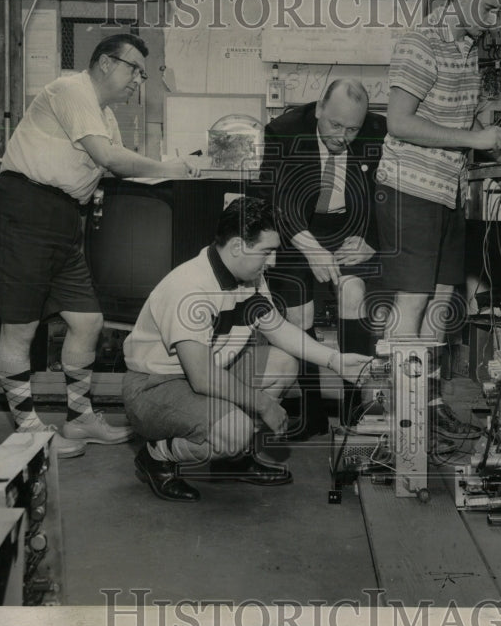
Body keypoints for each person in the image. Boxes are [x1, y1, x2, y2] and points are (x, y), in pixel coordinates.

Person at [0, 33, 198, 459]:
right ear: (104, 63)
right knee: (20, 328)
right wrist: (169, 167)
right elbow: (111, 159)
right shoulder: (71, 89)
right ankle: (27, 431)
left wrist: (181, 168)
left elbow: (120, 162)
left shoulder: (105, 115)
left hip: (63, 217)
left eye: (142, 72)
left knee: (87, 321)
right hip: (23, 208)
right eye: (133, 68)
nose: (139, 79)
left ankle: (79, 418)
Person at [122, 196, 372, 502]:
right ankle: (156, 456)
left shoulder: (248, 276)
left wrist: (335, 360)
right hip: (154, 387)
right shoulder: (191, 288)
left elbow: (277, 328)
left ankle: (233, 458)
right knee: (236, 431)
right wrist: (263, 405)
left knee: (283, 364)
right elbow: (201, 377)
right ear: (238, 246)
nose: (271, 261)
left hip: (209, 371)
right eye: (266, 252)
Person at [374, 0, 501, 436]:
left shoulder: (468, 49)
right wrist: (475, 140)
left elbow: (461, 120)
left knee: (440, 303)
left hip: (447, 190)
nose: (494, 20)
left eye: (500, 11)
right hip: (409, 187)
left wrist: (489, 128)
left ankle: (425, 412)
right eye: (489, 7)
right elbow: (399, 121)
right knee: (411, 306)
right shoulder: (419, 43)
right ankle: (401, 424)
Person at [258, 78, 386, 434]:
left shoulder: (380, 132)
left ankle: (353, 409)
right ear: (318, 110)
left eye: (352, 129)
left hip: (351, 227)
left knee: (353, 295)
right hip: (300, 227)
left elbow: (389, 193)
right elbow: (275, 196)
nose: (342, 136)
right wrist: (309, 246)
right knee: (300, 313)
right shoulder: (282, 131)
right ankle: (312, 413)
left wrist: (371, 240)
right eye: (335, 125)